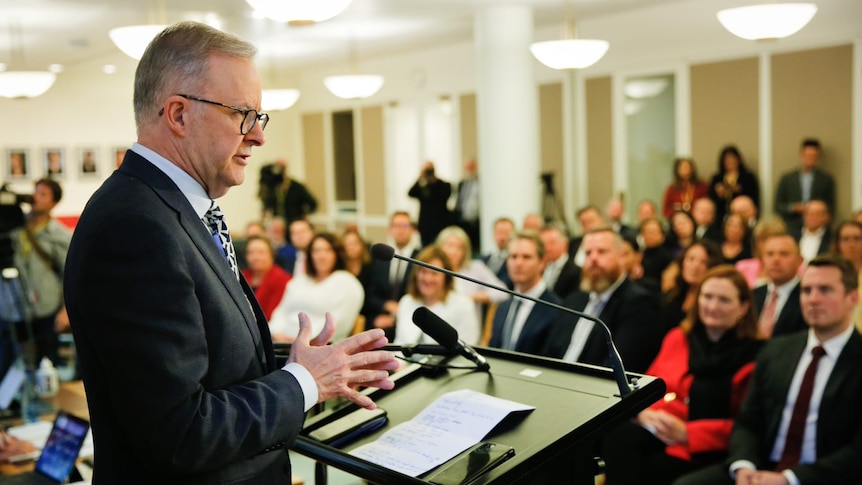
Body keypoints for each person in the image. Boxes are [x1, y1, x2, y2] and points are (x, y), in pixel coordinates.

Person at [63, 22, 397, 483]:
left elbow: (208, 364)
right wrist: (304, 383)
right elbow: (182, 431)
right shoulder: (135, 228)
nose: (258, 137)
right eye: (243, 114)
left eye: (260, 118)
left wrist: (308, 367)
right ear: (178, 114)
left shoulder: (168, 209)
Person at [675, 255, 862, 485]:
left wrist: (789, 479)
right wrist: (743, 465)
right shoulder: (777, 350)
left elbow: (857, 452)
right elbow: (748, 421)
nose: (813, 299)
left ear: (852, 298)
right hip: (760, 468)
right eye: (806, 290)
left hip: (821, 477)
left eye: (825, 290)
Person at [602, 266, 763, 485]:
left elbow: (748, 425)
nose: (712, 306)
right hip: (659, 430)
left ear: (743, 307)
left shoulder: (755, 354)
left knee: (656, 468)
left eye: (724, 300)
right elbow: (647, 386)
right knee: (618, 437)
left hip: (704, 445)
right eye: (707, 297)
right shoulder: (679, 337)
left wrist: (688, 433)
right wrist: (642, 413)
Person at [548, 228, 663, 373]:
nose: (593, 258)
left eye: (602, 252)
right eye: (588, 253)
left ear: (621, 256)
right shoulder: (574, 300)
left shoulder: (639, 304)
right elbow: (549, 352)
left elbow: (618, 368)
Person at [8, 178, 71, 366]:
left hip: (46, 311)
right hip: (12, 310)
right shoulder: (11, 227)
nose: (36, 197)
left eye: (43, 194)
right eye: (36, 191)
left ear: (53, 203)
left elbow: (71, 276)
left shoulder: (59, 235)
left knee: (46, 364)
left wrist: (66, 311)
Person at [269, 233, 365, 343]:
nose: (321, 256)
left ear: (337, 254)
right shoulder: (299, 281)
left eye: (327, 250)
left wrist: (302, 340)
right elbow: (281, 312)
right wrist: (275, 333)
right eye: (316, 251)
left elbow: (338, 323)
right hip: (281, 344)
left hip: (321, 349)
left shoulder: (347, 283)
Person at [489, 232, 567, 356]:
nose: (518, 263)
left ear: (542, 263)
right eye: (513, 257)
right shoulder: (503, 306)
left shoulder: (557, 309)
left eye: (526, 257)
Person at [393, 245, 479, 346]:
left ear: (446, 277)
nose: (427, 279)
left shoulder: (463, 305)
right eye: (423, 271)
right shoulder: (406, 302)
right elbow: (399, 344)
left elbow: (468, 347)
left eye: (434, 273)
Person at [365, 211, 421, 341]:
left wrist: (398, 316)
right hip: (381, 321)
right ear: (390, 230)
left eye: (405, 226)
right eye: (396, 226)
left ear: (413, 230)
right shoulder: (380, 259)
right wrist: (385, 305)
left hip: (410, 321)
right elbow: (371, 295)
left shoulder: (420, 258)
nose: (400, 230)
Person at [437, 226, 508, 326]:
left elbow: (503, 292)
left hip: (469, 328)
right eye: (449, 245)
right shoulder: (433, 270)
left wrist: (472, 298)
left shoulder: (475, 268)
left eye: (459, 247)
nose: (454, 252)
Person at [774, 138, 836, 233]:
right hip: (792, 225)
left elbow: (831, 208)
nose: (810, 159)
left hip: (818, 228)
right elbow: (778, 206)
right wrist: (794, 207)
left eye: (813, 156)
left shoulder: (826, 179)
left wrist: (816, 210)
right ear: (801, 155)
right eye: (807, 155)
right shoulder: (787, 179)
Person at [660, 241, 722, 335]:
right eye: (691, 259)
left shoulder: (713, 304)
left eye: (704, 262)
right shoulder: (674, 294)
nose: (695, 266)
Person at [752, 234, 806, 339]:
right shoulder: (753, 295)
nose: (776, 260)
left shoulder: (807, 296)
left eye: (784, 254)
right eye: (769, 254)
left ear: (800, 261)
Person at [241, 235, 291, 321]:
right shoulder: (241, 277)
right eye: (251, 253)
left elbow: (272, 314)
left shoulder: (282, 279)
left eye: (261, 252)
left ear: (271, 255)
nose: (256, 257)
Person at [708, 145, 760, 224]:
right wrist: (719, 195)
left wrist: (736, 190)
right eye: (727, 159)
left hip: (743, 216)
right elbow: (712, 199)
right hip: (721, 216)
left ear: (738, 160)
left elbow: (753, 197)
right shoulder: (717, 178)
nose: (730, 162)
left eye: (733, 159)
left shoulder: (748, 177)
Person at [258, 158, 317, 224]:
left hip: (294, 222)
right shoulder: (272, 187)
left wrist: (305, 216)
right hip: (278, 224)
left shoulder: (296, 187)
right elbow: (266, 204)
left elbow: (313, 203)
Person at [734, 216, 788, 288]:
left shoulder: (794, 270)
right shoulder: (742, 268)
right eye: (763, 239)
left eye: (771, 239)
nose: (767, 245)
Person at [408, 161, 452, 246]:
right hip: (425, 225)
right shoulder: (423, 186)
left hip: (440, 224)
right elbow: (410, 193)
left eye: (430, 170)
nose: (428, 172)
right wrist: (420, 178)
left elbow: (446, 195)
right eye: (426, 170)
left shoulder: (443, 185)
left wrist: (433, 180)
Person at [830, 220, 862, 332]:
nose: (851, 244)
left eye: (857, 239)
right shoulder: (829, 274)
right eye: (846, 239)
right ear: (838, 244)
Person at [540, 224, 583, 300]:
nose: (547, 247)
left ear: (565, 244)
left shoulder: (576, 272)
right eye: (543, 244)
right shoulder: (539, 268)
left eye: (552, 243)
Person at [792, 199, 832, 264]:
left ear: (826, 217)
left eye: (817, 214)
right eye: (809, 214)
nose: (813, 217)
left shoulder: (832, 237)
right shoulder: (793, 235)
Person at [453, 158, 481, 250]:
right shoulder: (462, 183)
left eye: (470, 166)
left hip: (475, 221)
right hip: (463, 220)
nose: (468, 169)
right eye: (467, 167)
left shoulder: (480, 182)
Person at [481, 216, 515, 288]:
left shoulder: (516, 261)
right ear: (493, 234)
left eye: (506, 233)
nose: (502, 237)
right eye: (499, 232)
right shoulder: (482, 260)